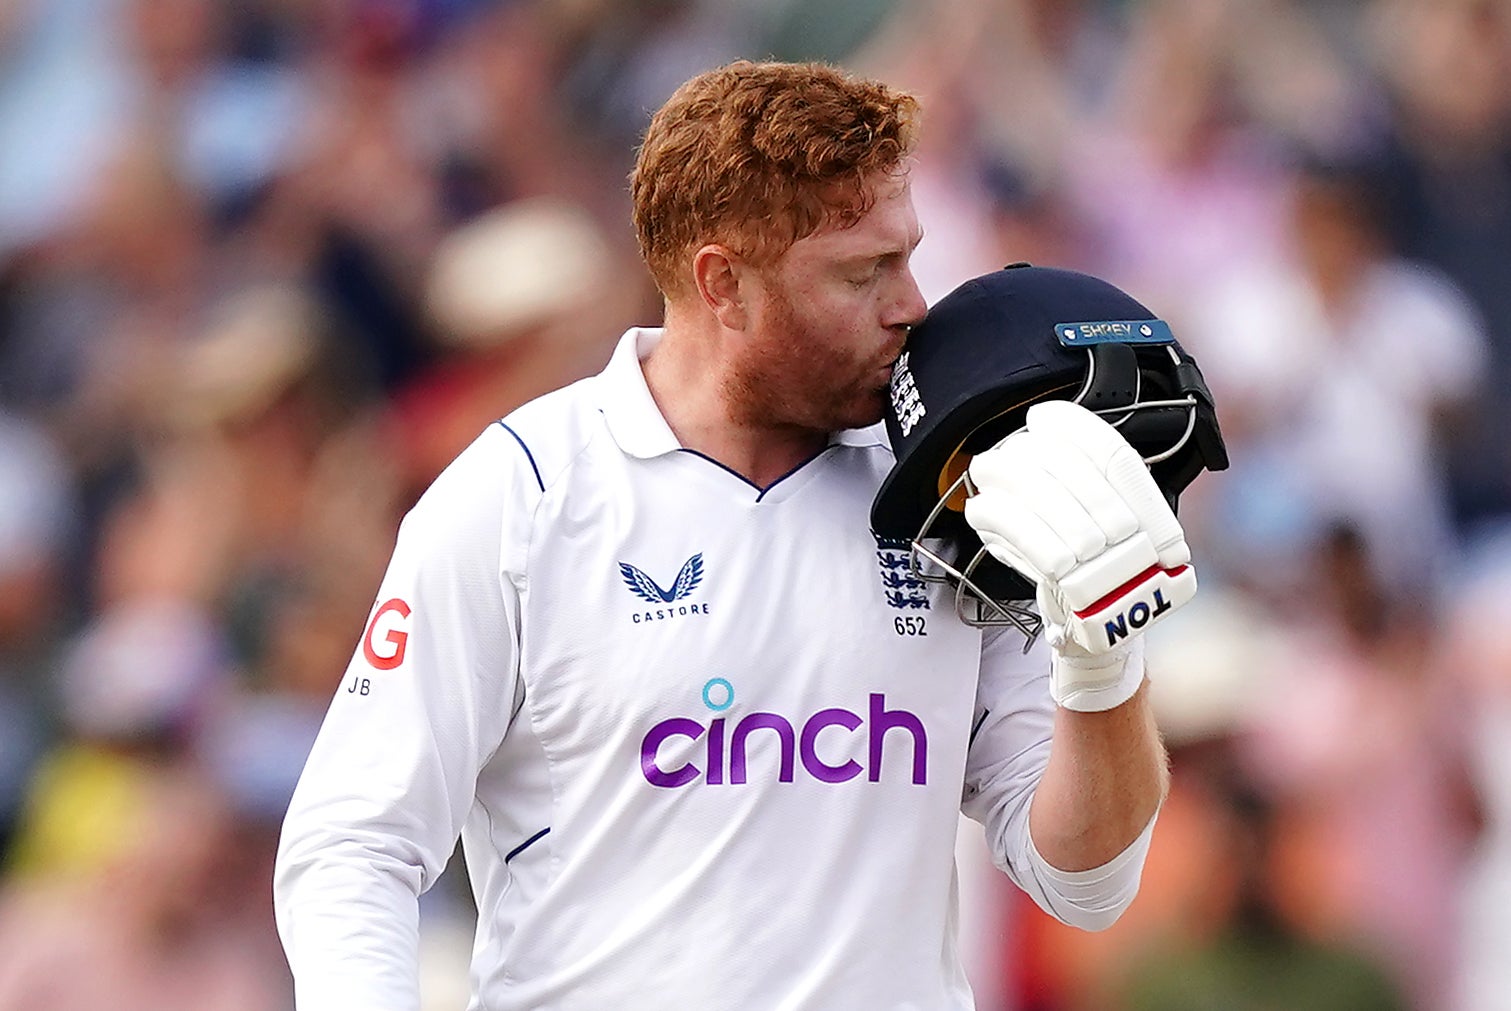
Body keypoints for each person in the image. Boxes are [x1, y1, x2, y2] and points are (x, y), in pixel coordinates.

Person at [275, 60, 1179, 1009]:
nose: (910, 304)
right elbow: (352, 843)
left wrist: (1102, 666)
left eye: (907, 255)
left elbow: (1083, 882)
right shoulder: (525, 492)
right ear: (723, 285)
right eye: (862, 272)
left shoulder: (955, 488)